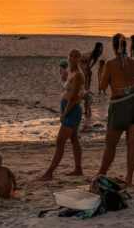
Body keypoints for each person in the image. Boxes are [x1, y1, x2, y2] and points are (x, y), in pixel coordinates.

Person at [97, 33, 134, 187]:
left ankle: (100, 174)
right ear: (127, 46)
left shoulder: (110, 64)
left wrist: (102, 71)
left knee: (110, 144)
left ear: (114, 47)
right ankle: (129, 177)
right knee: (133, 143)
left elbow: (103, 86)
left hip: (120, 105)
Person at [39, 48, 85, 180]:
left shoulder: (78, 75)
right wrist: (64, 78)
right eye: (71, 56)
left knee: (60, 142)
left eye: (76, 56)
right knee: (74, 140)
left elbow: (74, 96)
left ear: (79, 59)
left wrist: (65, 113)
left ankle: (49, 173)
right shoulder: (71, 72)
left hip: (72, 109)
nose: (73, 58)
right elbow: (66, 89)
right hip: (68, 107)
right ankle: (78, 169)